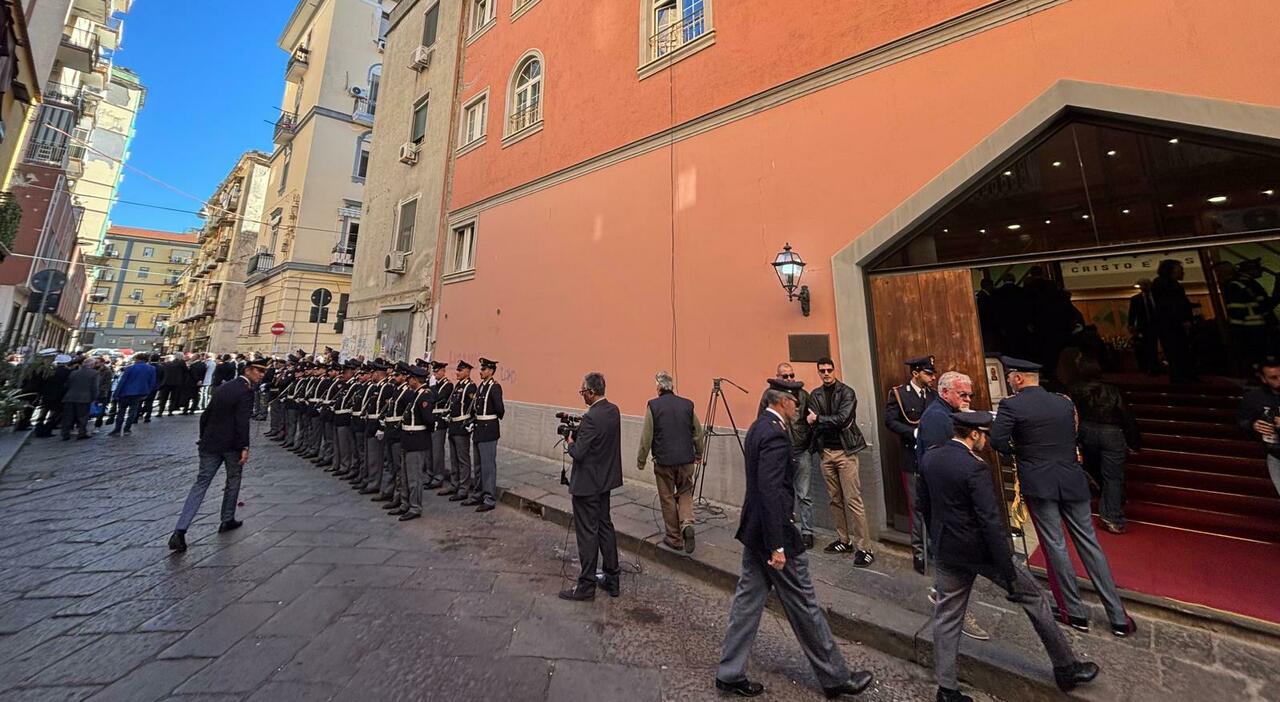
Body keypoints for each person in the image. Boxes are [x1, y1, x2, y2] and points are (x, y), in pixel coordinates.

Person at [919, 410, 1099, 701]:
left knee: (947, 617)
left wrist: (936, 540)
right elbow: (990, 521)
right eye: (985, 435)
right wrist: (1008, 570)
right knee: (1034, 598)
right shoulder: (974, 467)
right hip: (983, 551)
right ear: (974, 434)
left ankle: (947, 688)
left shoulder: (931, 456)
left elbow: (923, 505)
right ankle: (1066, 667)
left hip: (948, 550)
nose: (986, 440)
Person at [715, 382, 875, 699]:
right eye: (796, 402)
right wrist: (777, 544)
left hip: (755, 531)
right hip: (775, 536)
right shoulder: (775, 433)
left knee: (746, 604)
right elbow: (772, 491)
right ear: (785, 401)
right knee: (804, 605)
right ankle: (836, 677)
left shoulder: (759, 426)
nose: (799, 408)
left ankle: (729, 672)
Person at [991, 356, 1135, 637]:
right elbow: (1073, 432)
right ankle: (1117, 615)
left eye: (1010, 377)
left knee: (1055, 545)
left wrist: (1023, 453)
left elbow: (998, 441)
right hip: (1071, 479)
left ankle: (1074, 611)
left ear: (1018, 378)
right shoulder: (1064, 402)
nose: (1009, 381)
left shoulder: (1012, 405)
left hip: (1039, 481)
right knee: (1089, 544)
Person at [168, 358, 268, 552]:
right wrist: (245, 446)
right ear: (247, 371)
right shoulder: (245, 392)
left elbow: (206, 415)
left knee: (200, 484)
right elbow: (242, 422)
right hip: (231, 445)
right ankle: (227, 519)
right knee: (233, 481)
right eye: (258, 371)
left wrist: (203, 437)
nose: (261, 375)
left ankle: (180, 529)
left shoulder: (224, 387)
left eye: (263, 372)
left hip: (210, 443)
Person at [560, 372, 623, 602]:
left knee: (587, 534)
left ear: (592, 392)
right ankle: (612, 578)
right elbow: (600, 441)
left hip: (587, 485)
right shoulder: (613, 411)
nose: (582, 396)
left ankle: (586, 585)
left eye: (583, 392)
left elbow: (579, 452)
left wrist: (570, 440)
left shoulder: (591, 418)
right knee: (605, 527)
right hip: (604, 481)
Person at [806, 357, 873, 565]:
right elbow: (814, 424)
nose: (826, 373)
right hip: (826, 453)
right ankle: (844, 540)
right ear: (818, 372)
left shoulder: (847, 392)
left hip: (846, 452)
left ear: (834, 370)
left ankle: (864, 548)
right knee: (834, 499)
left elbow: (843, 419)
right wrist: (824, 423)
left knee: (853, 499)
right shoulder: (815, 395)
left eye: (829, 369)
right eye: (822, 370)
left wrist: (819, 420)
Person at [1069, 358, 1140, 534]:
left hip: (1086, 429)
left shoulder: (1076, 390)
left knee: (1092, 467)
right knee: (1113, 476)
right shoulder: (1113, 391)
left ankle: (1107, 499)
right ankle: (1113, 516)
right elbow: (1125, 415)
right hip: (1111, 432)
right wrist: (1133, 442)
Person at [638, 370, 705, 552]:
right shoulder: (687, 405)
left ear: (659, 387)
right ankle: (687, 523)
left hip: (664, 461)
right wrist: (699, 453)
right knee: (685, 492)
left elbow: (647, 436)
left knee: (667, 497)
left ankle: (674, 538)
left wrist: (641, 460)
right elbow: (698, 433)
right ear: (672, 387)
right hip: (686, 460)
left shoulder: (653, 406)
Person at [883, 355, 936, 574]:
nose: (932, 377)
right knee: (917, 509)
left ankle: (933, 547)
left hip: (933, 458)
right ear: (916, 373)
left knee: (934, 505)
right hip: (911, 457)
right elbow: (891, 421)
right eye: (928, 373)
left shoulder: (933, 396)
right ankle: (920, 551)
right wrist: (912, 432)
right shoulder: (899, 394)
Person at [756, 363, 816, 550]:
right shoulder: (769, 396)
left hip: (801, 448)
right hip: (781, 451)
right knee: (783, 492)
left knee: (804, 494)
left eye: (792, 375)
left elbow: (812, 418)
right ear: (778, 377)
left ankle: (807, 532)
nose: (790, 379)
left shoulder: (803, 395)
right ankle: (785, 528)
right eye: (785, 376)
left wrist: (809, 429)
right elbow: (761, 419)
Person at [1238, 356, 1280, 497]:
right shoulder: (1254, 397)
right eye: (1274, 378)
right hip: (1276, 455)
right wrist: (1253, 425)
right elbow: (1242, 421)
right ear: (1264, 379)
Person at [396, 365, 432, 521]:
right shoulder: (414, 394)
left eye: (410, 378)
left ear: (416, 380)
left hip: (417, 440)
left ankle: (415, 507)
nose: (407, 380)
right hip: (408, 439)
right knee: (405, 475)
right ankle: (405, 503)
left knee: (414, 477)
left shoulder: (424, 395)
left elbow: (429, 420)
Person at [468, 357, 504, 512]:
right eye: (480, 369)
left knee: (488, 466)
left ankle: (489, 498)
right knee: (478, 465)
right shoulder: (481, 386)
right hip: (478, 429)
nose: (480, 372)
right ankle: (478, 493)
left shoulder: (494, 387)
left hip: (488, 430)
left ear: (490, 371)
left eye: (483, 369)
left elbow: (500, 410)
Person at [1151, 259, 1196, 382]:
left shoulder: (1171, 284)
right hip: (1170, 325)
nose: (1183, 272)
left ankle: (1185, 375)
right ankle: (1180, 377)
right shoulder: (1163, 284)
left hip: (1172, 323)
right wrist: (1183, 319)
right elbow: (1171, 305)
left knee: (1181, 350)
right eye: (1180, 269)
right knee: (1176, 351)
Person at [445, 360, 477, 502]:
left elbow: (472, 408)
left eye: (460, 371)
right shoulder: (458, 386)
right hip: (453, 425)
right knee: (453, 457)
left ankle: (464, 488)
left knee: (463, 459)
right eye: (457, 370)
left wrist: (468, 424)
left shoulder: (470, 387)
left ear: (467, 372)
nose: (457, 373)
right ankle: (454, 483)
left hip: (462, 427)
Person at [109, 354, 156, 435]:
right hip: (139, 393)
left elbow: (122, 381)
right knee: (133, 411)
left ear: (137, 359)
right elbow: (152, 382)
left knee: (121, 411)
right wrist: (147, 392)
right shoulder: (151, 369)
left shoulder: (130, 368)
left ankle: (117, 429)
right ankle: (127, 429)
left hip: (125, 392)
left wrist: (116, 394)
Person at [426, 360, 453, 492]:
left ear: (443, 371)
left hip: (440, 421)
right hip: (431, 419)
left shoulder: (447, 385)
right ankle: (430, 474)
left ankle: (438, 476)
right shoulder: (434, 384)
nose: (435, 374)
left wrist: (432, 387)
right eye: (434, 372)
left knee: (437, 451)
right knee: (429, 450)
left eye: (437, 372)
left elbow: (436, 398)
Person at [60, 357, 100, 441]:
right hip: (84, 398)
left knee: (68, 416)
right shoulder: (94, 373)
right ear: (92, 365)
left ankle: (65, 433)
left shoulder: (74, 372)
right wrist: (94, 397)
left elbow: (67, 385)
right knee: (83, 417)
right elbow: (94, 387)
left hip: (70, 397)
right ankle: (82, 433)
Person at [1127, 279, 1159, 375]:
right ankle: (1151, 367)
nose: (1143, 288)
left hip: (1160, 324)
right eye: (1142, 286)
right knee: (1149, 347)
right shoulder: (1136, 299)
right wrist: (1131, 325)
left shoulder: (1158, 297)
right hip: (1145, 327)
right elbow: (1132, 314)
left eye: (1145, 285)